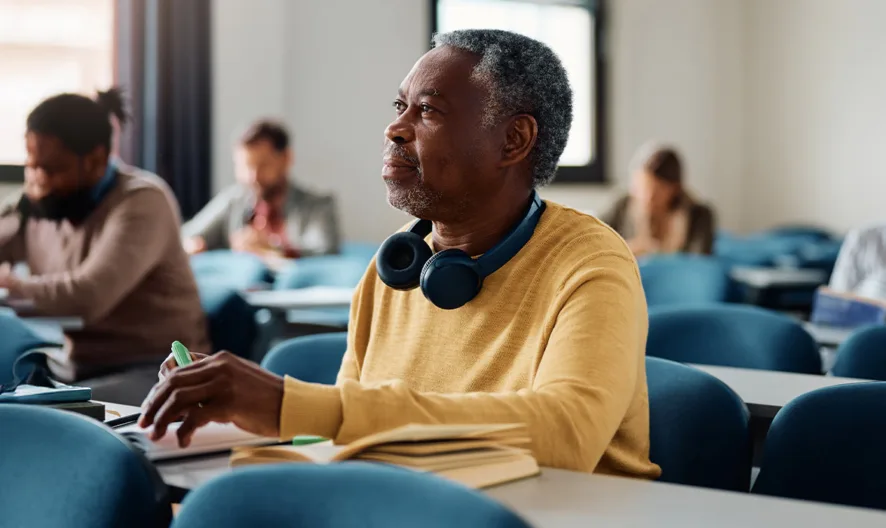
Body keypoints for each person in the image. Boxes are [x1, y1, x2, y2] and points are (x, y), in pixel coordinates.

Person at [142, 30, 661, 479]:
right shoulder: (395, 269)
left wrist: (287, 404)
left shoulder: (590, 262)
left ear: (514, 140)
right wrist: (241, 424)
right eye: (400, 107)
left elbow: (566, 434)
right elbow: (349, 443)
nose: (396, 128)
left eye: (429, 110)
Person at [0, 89, 210, 405]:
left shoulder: (142, 201)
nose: (38, 180)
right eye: (31, 166)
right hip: (76, 366)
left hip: (153, 370)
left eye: (51, 169)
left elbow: (88, 296)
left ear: (97, 158)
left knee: (30, 418)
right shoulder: (43, 203)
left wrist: (12, 285)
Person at [182, 120, 340, 260]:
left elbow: (325, 250)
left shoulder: (318, 205)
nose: (253, 177)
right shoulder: (234, 201)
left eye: (263, 165)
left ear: (286, 158)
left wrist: (273, 246)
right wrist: (191, 245)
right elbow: (187, 235)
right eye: (245, 167)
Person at [602, 144, 715, 257]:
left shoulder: (699, 215)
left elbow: (699, 262)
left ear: (675, 189)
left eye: (658, 190)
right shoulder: (621, 205)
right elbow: (596, 241)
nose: (649, 197)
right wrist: (627, 250)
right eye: (643, 188)